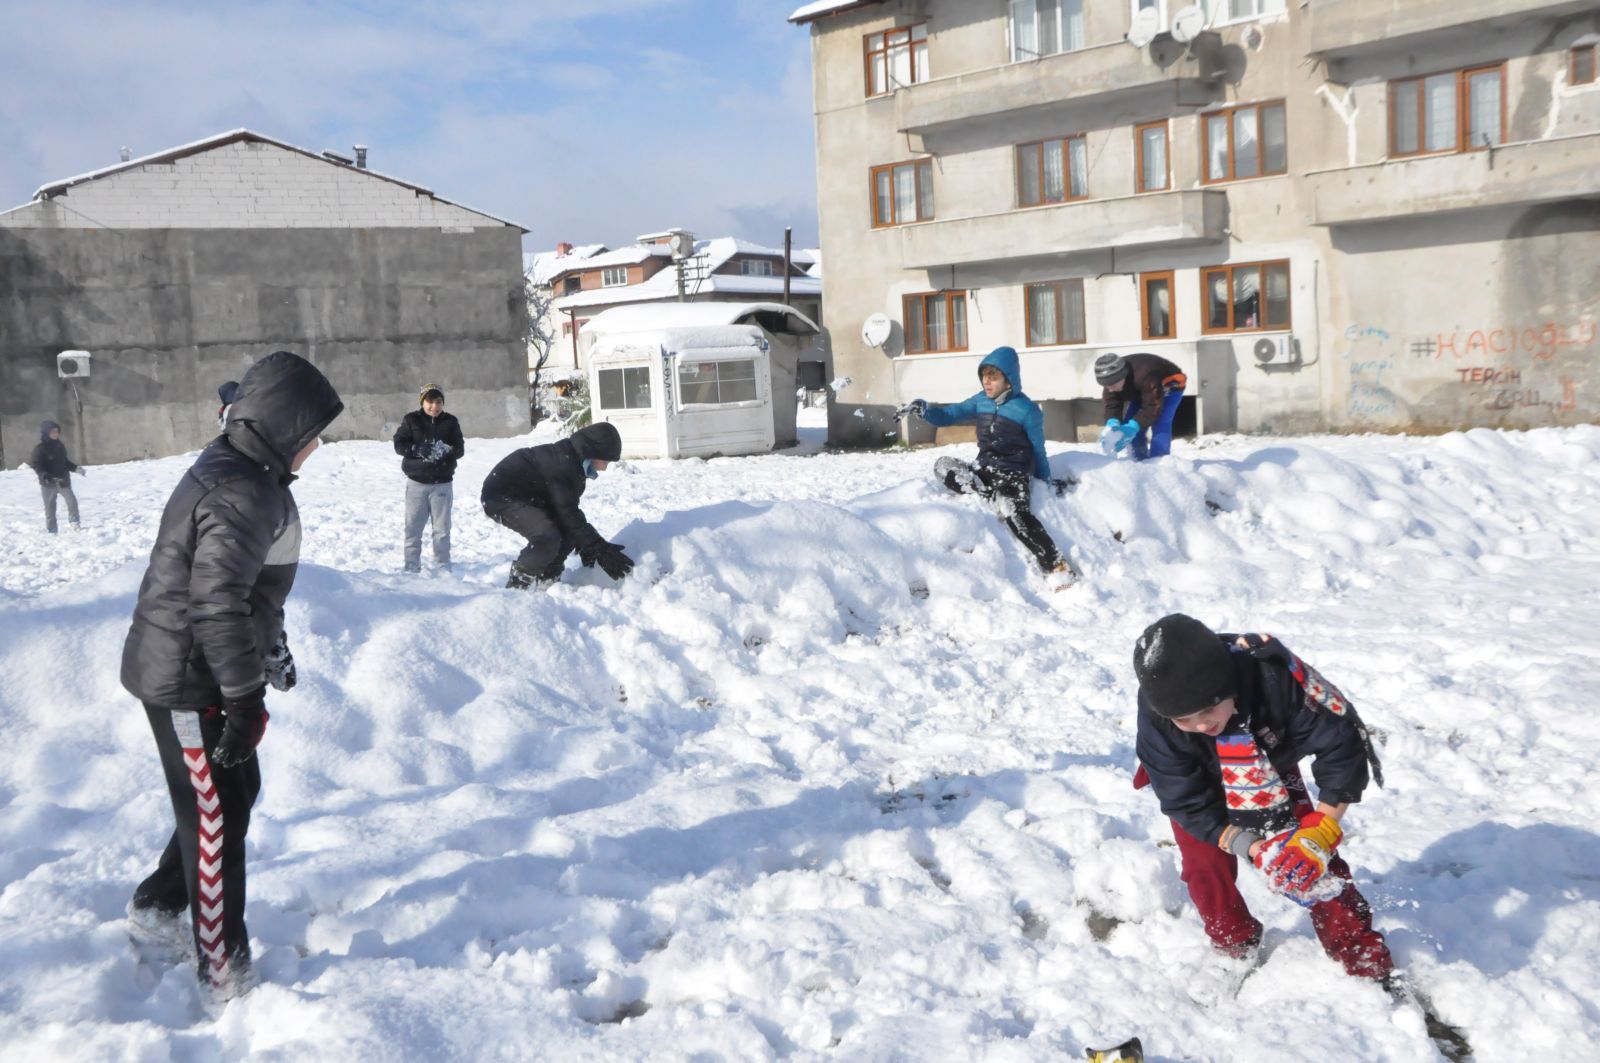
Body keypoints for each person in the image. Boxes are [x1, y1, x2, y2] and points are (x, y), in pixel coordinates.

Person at [121, 350, 343, 1001]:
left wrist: (266, 654)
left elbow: (250, 595)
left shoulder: (251, 472)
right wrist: (245, 699)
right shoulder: (244, 490)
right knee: (214, 817)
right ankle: (224, 974)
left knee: (231, 793)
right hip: (189, 681)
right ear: (280, 428)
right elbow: (215, 602)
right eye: (311, 434)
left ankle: (161, 902)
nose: (317, 447)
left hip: (206, 669)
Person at [1130, 613, 1393, 999]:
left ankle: (1358, 950)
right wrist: (1252, 846)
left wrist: (1320, 831)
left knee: (1312, 862)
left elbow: (1341, 749)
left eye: (1209, 710)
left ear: (1227, 687)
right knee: (1205, 867)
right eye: (1185, 719)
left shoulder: (1273, 679)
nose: (1202, 724)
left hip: (1265, 767)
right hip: (1198, 784)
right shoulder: (1158, 720)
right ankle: (1234, 943)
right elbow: (1184, 800)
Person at [904, 346, 1076, 585]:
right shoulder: (981, 401)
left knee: (1016, 515)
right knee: (942, 465)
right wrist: (924, 410)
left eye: (993, 377)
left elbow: (1038, 449)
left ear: (1009, 380)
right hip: (984, 468)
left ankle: (1056, 566)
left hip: (1013, 473)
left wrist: (1044, 480)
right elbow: (951, 414)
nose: (987, 382)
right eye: (984, 376)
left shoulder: (1027, 411)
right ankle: (982, 490)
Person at [481, 421, 634, 590]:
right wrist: (598, 546)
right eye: (605, 462)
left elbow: (568, 514)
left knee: (566, 533)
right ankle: (517, 585)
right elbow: (568, 512)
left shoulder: (573, 463)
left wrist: (586, 544)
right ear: (592, 451)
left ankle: (548, 579)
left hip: (530, 497)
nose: (604, 469)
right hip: (501, 496)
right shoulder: (563, 464)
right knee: (546, 536)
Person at [392, 383, 465, 574]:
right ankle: (411, 568)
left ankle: (442, 568)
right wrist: (416, 449)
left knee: (441, 531)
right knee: (412, 531)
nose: (434, 406)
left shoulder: (451, 421)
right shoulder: (411, 420)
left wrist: (446, 451)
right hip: (416, 484)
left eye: (439, 402)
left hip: (442, 485)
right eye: (430, 401)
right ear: (422, 401)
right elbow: (399, 444)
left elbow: (460, 449)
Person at [1095, 352, 1187, 460]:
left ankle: (1160, 462)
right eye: (1106, 386)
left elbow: (1153, 406)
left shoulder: (1146, 374)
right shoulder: (1111, 380)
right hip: (1142, 391)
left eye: (1112, 385)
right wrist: (1112, 422)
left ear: (1122, 376)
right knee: (1129, 424)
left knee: (1160, 422)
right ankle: (1139, 460)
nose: (1109, 389)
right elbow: (1112, 405)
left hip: (1170, 385)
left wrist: (1133, 426)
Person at [28, 420, 85, 533]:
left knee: (72, 502)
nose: (56, 433)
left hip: (63, 480)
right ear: (46, 432)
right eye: (53, 431)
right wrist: (44, 475)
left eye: (57, 431)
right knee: (50, 508)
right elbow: (37, 465)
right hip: (48, 483)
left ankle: (74, 522)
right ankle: (52, 529)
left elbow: (65, 462)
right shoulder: (40, 449)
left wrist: (75, 468)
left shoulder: (60, 446)